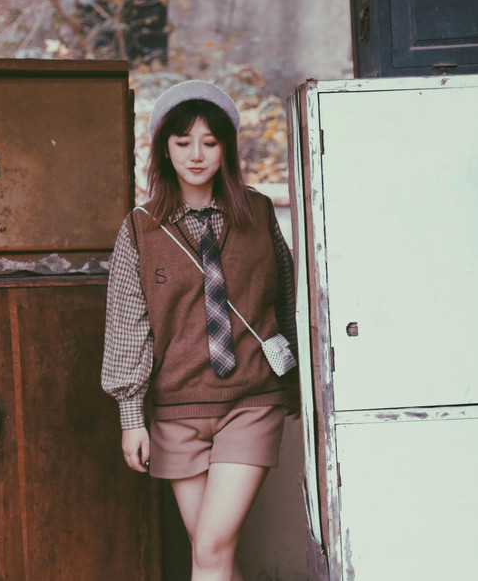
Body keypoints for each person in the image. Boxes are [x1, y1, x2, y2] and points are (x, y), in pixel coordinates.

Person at [101, 80, 299, 581]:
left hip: (250, 402)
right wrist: (131, 417)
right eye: (183, 141)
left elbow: (288, 301)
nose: (196, 154)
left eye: (209, 142)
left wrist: (301, 386)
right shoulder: (139, 228)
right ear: (164, 148)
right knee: (213, 554)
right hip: (176, 412)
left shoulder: (258, 213)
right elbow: (128, 325)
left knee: (210, 548)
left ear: (226, 148)